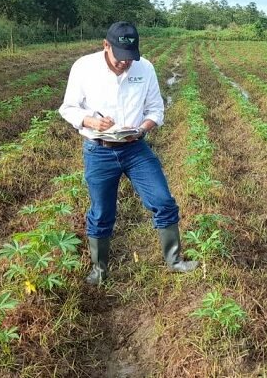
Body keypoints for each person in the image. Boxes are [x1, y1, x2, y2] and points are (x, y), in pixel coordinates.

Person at [58, 21, 198, 285]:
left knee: (163, 201)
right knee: (101, 213)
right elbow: (68, 108)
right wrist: (91, 121)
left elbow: (156, 109)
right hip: (99, 150)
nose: (125, 63)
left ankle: (175, 260)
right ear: (106, 46)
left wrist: (143, 128)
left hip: (135, 148)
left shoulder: (145, 68)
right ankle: (99, 271)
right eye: (120, 58)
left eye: (130, 58)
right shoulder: (84, 68)